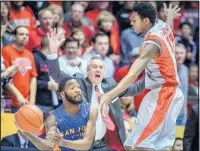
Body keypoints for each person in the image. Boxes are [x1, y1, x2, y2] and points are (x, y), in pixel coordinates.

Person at [100, 2, 183, 150]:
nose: (131, 23)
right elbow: (169, 29)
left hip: (165, 95)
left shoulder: (151, 44)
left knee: (142, 146)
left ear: (146, 21)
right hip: (160, 93)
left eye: (134, 20)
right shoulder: (162, 27)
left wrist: (108, 96)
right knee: (134, 145)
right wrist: (170, 16)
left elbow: (132, 74)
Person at [46, 28, 145, 151]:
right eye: (94, 67)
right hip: (80, 143)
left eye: (101, 67)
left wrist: (154, 74)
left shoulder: (109, 85)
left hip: (102, 144)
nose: (98, 69)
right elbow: (55, 73)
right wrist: (53, 51)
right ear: (87, 70)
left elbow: (135, 88)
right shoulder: (78, 82)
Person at [16, 76, 98, 151]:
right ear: (62, 94)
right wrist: (26, 133)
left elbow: (87, 144)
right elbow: (48, 147)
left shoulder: (91, 110)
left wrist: (62, 142)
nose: (77, 90)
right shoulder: (53, 117)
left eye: (78, 87)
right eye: (72, 88)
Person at [2, 26, 38, 112]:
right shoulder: (6, 51)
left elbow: (33, 77)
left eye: (27, 35)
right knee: (8, 124)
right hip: (8, 100)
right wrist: (19, 96)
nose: (25, 36)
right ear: (14, 37)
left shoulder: (29, 54)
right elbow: (5, 77)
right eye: (21, 34)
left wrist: (32, 100)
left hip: (26, 101)